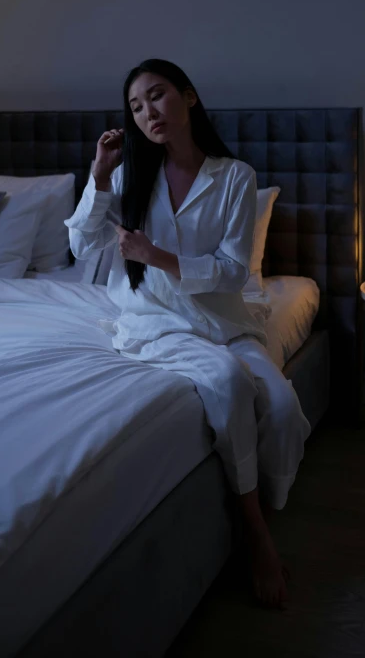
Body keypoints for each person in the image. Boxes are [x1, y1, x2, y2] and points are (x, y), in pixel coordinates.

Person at [64, 59, 311, 609]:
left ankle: (264, 508)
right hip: (155, 320)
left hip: (224, 320)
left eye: (157, 96)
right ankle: (256, 536)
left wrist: (156, 254)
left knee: (284, 408)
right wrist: (100, 174)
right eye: (135, 106)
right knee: (226, 383)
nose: (147, 112)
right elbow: (82, 248)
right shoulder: (128, 176)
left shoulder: (235, 177)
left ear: (189, 97)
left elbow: (232, 271)